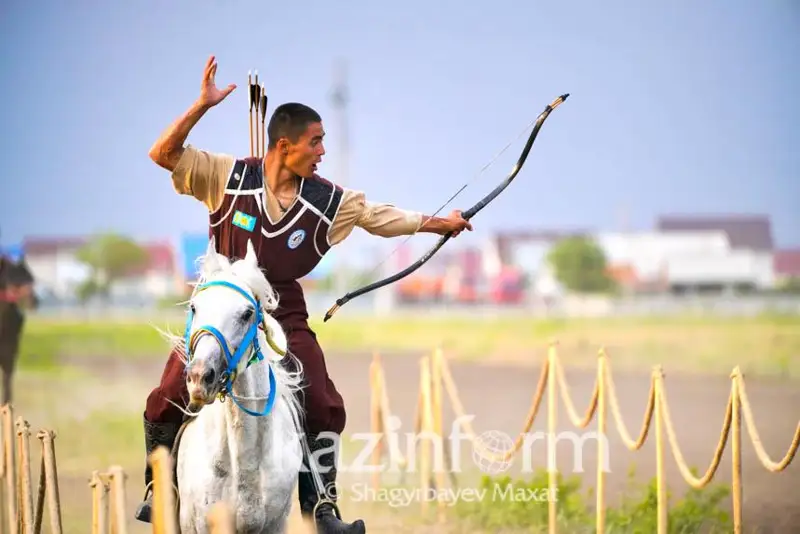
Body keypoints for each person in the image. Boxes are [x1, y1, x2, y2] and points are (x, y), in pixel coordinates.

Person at [135, 55, 472, 532]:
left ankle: (322, 507)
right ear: (284, 145)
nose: (322, 151)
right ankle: (159, 487)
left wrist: (442, 224)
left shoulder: (326, 200)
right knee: (169, 393)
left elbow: (380, 216)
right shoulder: (227, 177)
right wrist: (201, 106)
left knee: (322, 401)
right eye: (315, 142)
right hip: (223, 301)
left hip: (282, 306)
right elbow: (163, 154)